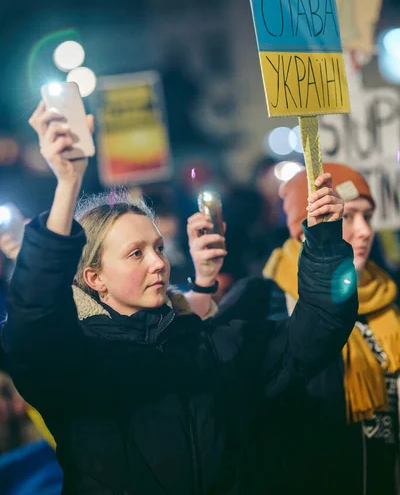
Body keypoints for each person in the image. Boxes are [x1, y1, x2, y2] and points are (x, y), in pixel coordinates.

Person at [2, 102, 357, 495]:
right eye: (136, 253)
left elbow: (316, 334)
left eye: (158, 247)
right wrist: (67, 185)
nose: (159, 262)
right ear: (94, 278)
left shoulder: (206, 342)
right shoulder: (75, 361)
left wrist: (324, 240)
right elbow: (33, 318)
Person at [215, 162, 399, 495]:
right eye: (347, 216)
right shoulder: (261, 299)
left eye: (368, 216)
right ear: (307, 225)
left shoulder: (388, 296)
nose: (364, 231)